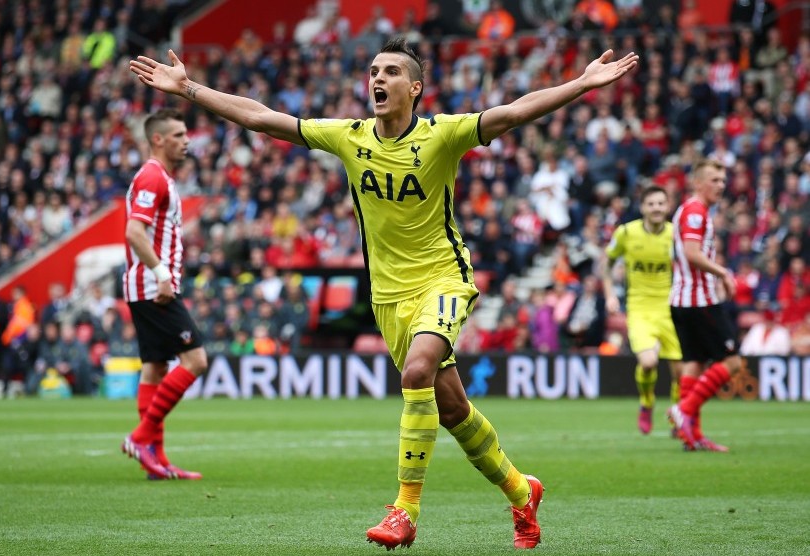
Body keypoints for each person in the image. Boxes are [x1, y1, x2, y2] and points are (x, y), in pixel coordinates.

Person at [130, 37, 638, 550]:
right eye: (374, 70)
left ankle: (404, 510)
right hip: (388, 297)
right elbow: (261, 117)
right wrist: (189, 88)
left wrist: (580, 84)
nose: (378, 78)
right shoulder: (349, 137)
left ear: (415, 88)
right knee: (452, 408)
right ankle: (520, 489)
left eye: (392, 71)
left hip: (443, 278)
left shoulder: (443, 134)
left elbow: (511, 113)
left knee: (417, 372)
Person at [119, 109, 208, 480]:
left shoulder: (161, 179)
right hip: (154, 287)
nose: (186, 140)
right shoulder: (153, 177)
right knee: (196, 361)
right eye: (178, 134)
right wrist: (161, 274)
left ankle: (155, 458)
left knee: (155, 367)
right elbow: (134, 232)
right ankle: (141, 439)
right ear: (158, 139)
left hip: (149, 286)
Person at [667, 159, 743, 453]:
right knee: (732, 360)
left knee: (695, 363)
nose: (720, 186)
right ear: (698, 183)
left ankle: (692, 436)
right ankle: (684, 410)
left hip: (683, 300)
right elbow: (691, 253)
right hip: (699, 300)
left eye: (723, 181)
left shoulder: (690, 210)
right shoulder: (696, 211)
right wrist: (723, 272)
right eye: (714, 180)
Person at [601, 185, 683, 435]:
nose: (656, 208)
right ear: (643, 208)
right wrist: (610, 294)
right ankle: (647, 402)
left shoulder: (675, 234)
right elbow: (606, 263)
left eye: (661, 203)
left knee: (680, 372)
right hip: (639, 307)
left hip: (671, 307)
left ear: (667, 206)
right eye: (651, 204)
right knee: (648, 362)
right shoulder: (626, 232)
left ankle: (679, 420)